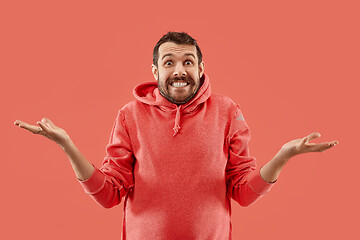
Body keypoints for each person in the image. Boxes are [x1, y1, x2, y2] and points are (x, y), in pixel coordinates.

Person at [14, 31, 339, 240]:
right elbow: (110, 195)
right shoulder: (130, 115)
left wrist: (283, 156)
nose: (179, 70)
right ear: (156, 72)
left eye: (188, 61)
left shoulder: (227, 111)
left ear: (200, 68)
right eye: (169, 62)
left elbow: (242, 192)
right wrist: (67, 146)